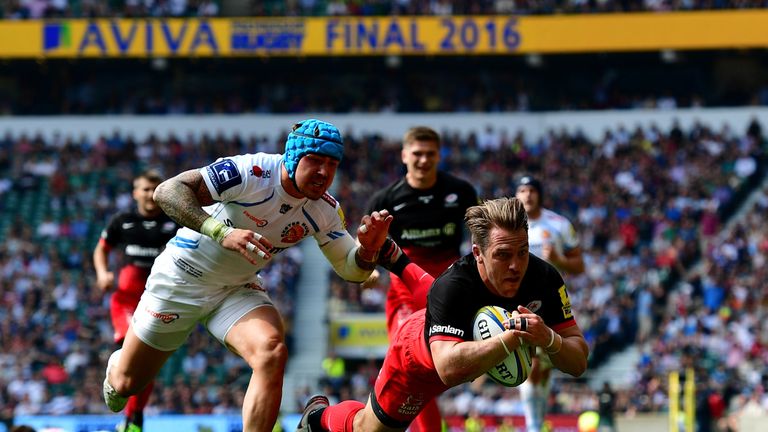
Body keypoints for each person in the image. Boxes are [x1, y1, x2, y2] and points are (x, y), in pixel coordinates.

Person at [101, 119, 393, 432]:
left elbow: (350, 268)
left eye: (332, 164)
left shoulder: (324, 210)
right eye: (315, 160)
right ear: (293, 156)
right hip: (181, 278)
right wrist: (219, 231)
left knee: (271, 352)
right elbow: (167, 191)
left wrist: (367, 250)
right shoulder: (251, 172)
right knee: (125, 385)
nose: (324, 172)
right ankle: (117, 366)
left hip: (235, 288)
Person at [297, 197, 589, 432]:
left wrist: (550, 339)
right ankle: (317, 418)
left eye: (522, 252)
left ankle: (392, 255)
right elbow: (447, 367)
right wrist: (508, 340)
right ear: (478, 253)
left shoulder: (545, 278)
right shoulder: (456, 283)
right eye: (502, 255)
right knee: (368, 429)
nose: (515, 265)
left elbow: (578, 362)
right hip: (420, 360)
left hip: (455, 336)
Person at [364, 126, 477, 431]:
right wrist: (367, 270)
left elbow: (481, 237)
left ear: (439, 155)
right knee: (413, 364)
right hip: (404, 287)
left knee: (441, 365)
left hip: (448, 287)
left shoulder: (462, 192)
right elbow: (366, 246)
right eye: (417, 154)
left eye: (430, 154)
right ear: (404, 155)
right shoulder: (385, 199)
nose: (423, 160)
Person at [93, 170, 180, 432]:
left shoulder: (173, 222)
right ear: (135, 193)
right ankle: (131, 419)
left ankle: (134, 420)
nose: (149, 195)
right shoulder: (123, 221)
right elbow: (101, 248)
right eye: (144, 189)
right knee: (136, 355)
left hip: (158, 301)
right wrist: (102, 272)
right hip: (127, 302)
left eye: (154, 189)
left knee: (146, 364)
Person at [515, 175, 585, 432]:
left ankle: (536, 423)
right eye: (522, 190)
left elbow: (579, 266)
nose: (527, 194)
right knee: (532, 363)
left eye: (532, 189)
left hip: (552, 301)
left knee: (543, 366)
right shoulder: (510, 225)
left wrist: (559, 259)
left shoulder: (558, 224)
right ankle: (534, 425)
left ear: (540, 194)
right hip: (518, 300)